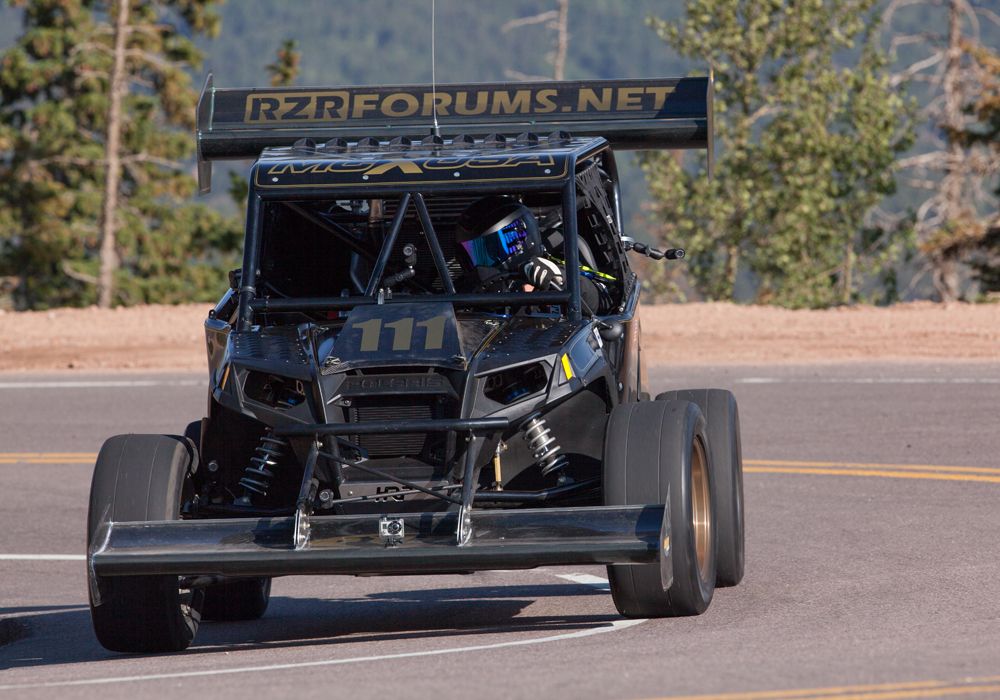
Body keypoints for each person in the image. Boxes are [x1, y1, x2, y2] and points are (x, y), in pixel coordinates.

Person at [454, 195, 613, 314]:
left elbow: (604, 301)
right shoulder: (463, 294)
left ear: (521, 242)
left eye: (492, 249)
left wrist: (563, 281)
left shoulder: (555, 273)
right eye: (474, 253)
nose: (482, 265)